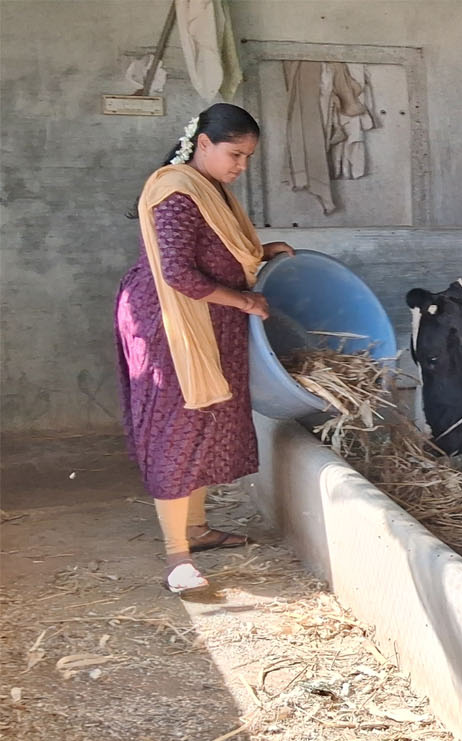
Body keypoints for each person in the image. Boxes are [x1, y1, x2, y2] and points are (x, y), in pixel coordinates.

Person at [115, 103, 293, 593]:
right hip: (171, 325)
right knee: (179, 424)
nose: (241, 166)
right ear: (204, 144)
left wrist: (263, 252)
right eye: (235, 154)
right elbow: (177, 273)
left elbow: (219, 250)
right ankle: (177, 558)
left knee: (206, 420)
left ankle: (196, 529)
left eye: (247, 158)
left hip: (211, 322)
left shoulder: (210, 190)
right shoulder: (177, 191)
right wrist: (244, 298)